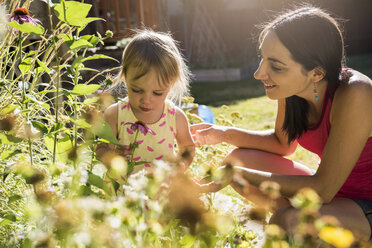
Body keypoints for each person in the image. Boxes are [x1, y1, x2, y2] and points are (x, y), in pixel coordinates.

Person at [191, 6, 372, 241]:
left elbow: (323, 189)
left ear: (316, 73)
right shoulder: (293, 88)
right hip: (335, 194)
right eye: (263, 58)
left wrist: (239, 175)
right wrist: (223, 133)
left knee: (286, 222)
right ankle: (309, 235)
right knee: (238, 158)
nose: (259, 73)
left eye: (276, 66)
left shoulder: (357, 94)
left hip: (363, 201)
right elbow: (281, 143)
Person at [96, 30, 195, 194]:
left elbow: (188, 148)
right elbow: (100, 148)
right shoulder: (115, 114)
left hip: (161, 190)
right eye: (137, 90)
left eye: (157, 93)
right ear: (125, 77)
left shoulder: (175, 117)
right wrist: (112, 156)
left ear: (171, 85)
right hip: (122, 192)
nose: (146, 100)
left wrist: (178, 168)